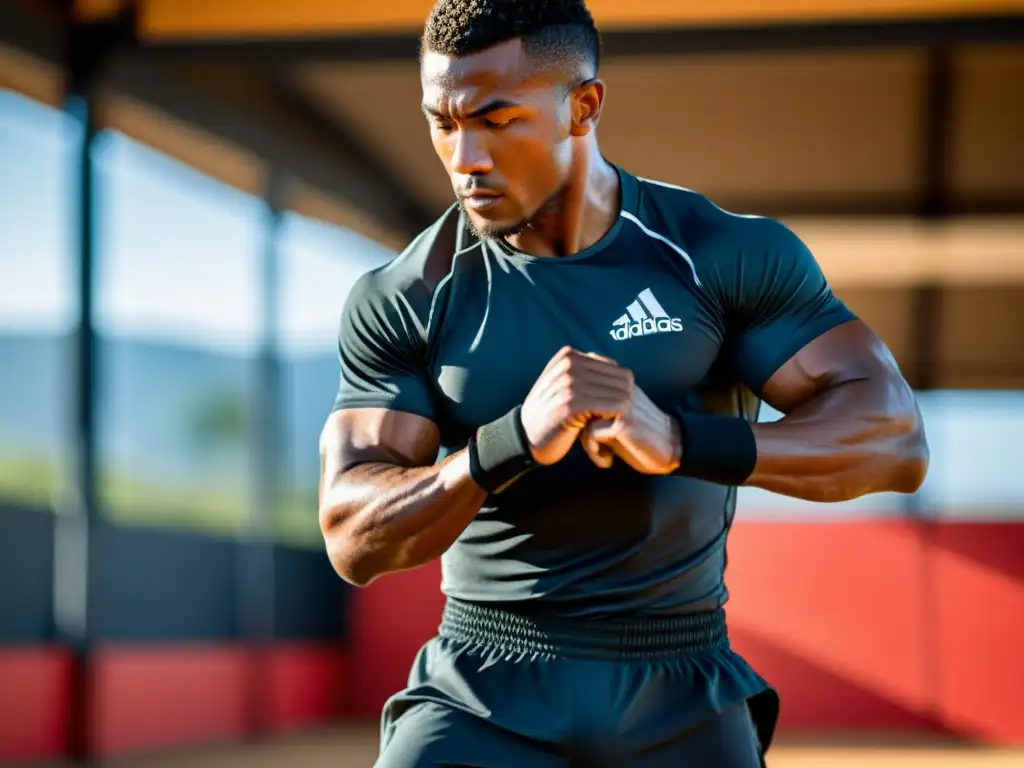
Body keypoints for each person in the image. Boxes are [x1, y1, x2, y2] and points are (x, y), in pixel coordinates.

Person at [317, 0, 930, 765]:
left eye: (497, 120)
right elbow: (351, 537)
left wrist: (679, 439)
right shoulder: (409, 294)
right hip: (480, 688)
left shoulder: (717, 254)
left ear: (584, 106)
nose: (463, 155)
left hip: (680, 685)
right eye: (442, 121)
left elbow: (894, 438)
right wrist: (500, 447)